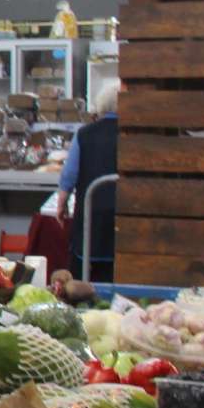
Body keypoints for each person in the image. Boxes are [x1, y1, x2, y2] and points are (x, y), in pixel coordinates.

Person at [60, 82, 119, 277]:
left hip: (90, 219)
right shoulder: (133, 135)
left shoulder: (84, 134)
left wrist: (62, 204)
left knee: (83, 278)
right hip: (123, 221)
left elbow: (69, 176)